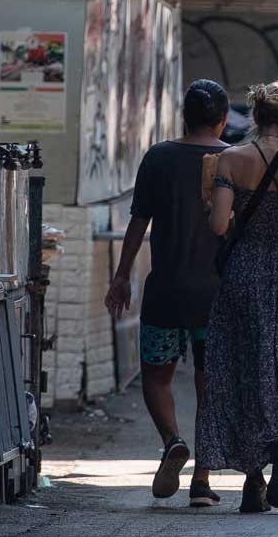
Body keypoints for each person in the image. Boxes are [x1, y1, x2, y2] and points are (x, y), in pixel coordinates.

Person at [197, 80, 278, 513]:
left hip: (244, 272)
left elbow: (219, 226)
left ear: (256, 117)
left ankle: (252, 478)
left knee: (244, 364)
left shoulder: (230, 159)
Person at [104, 79, 230, 507]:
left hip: (165, 290)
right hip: (215, 295)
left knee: (157, 375)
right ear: (223, 119)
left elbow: (139, 221)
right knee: (209, 383)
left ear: (184, 116)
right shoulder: (232, 160)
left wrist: (121, 277)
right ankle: (203, 481)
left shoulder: (158, 157)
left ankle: (172, 439)